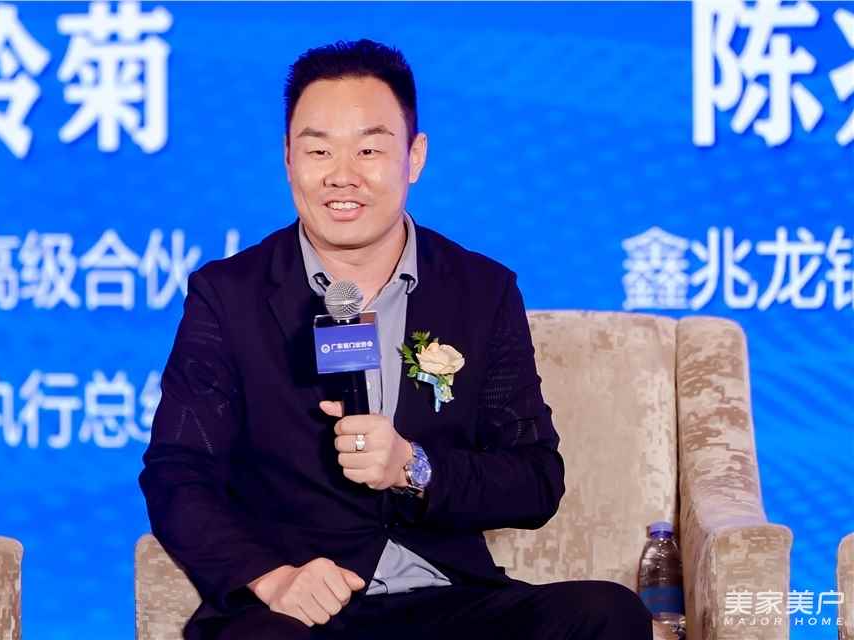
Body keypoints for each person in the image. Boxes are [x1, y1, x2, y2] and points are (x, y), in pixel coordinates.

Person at [139, 39, 653, 640]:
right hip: (303, 610)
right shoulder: (229, 296)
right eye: (319, 150)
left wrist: (414, 466)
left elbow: (535, 479)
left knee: (609, 614)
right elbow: (177, 472)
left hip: (448, 602)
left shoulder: (480, 291)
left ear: (414, 157)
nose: (342, 175)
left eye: (369, 149)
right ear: (287, 158)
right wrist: (274, 580)